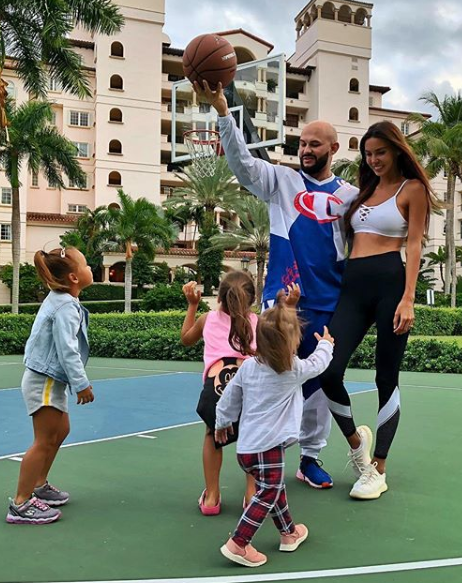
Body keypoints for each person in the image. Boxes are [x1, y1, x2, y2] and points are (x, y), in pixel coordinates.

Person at [193, 80, 359, 489]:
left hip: (329, 303)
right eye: (302, 143)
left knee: (318, 384)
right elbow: (242, 164)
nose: (306, 150)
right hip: (280, 303)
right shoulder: (280, 181)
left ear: (333, 149)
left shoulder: (351, 196)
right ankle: (264, 460)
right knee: (271, 379)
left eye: (315, 144)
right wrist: (223, 113)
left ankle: (310, 458)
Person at [320, 121, 439, 500]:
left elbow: (415, 244)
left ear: (397, 151)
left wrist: (408, 298)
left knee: (386, 377)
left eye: (380, 152)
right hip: (353, 286)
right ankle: (359, 449)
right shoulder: (363, 192)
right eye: (368, 154)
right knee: (328, 370)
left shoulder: (412, 189)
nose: (374, 160)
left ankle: (379, 469)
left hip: (391, 282)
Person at [215, 293, 334, 567]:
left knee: (275, 488)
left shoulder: (248, 367)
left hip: (246, 449)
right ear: (292, 343)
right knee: (268, 493)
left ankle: (289, 533)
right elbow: (318, 363)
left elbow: (229, 398)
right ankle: (239, 543)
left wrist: (222, 423)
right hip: (268, 449)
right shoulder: (292, 369)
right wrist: (326, 344)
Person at [6, 247, 94, 525]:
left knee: (61, 430)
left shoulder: (64, 300)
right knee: (43, 440)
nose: (90, 268)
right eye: (86, 265)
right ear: (74, 277)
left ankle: (39, 484)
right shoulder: (65, 306)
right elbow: (67, 349)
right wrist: (81, 384)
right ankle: (21, 503)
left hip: (50, 380)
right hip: (44, 380)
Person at [181, 271, 258, 515]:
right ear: (252, 300)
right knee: (253, 436)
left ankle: (212, 497)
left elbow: (186, 339)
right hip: (248, 386)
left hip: (216, 386)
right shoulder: (257, 322)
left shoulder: (208, 319)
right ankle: (252, 494)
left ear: (219, 298)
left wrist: (192, 305)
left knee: (212, 435)